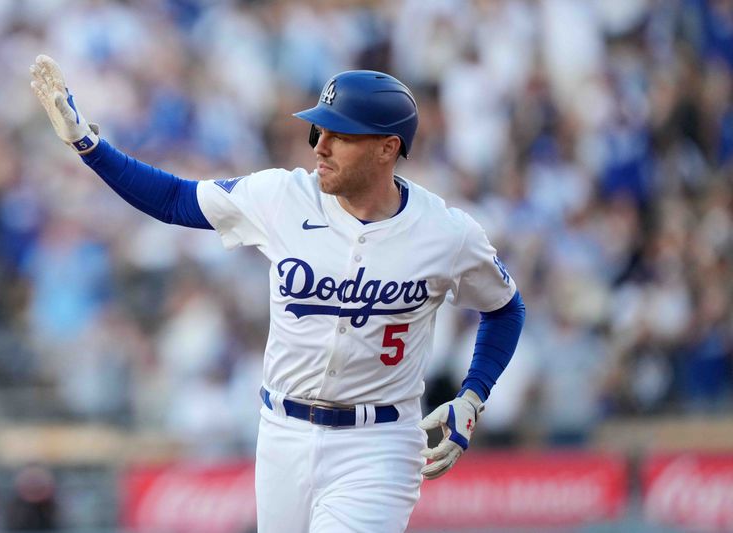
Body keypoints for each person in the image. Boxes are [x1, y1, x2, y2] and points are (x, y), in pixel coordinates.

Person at [30, 54, 525, 533]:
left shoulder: (445, 232)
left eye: (339, 135)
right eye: (319, 130)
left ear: (387, 148)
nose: (320, 146)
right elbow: (176, 199)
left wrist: (473, 395)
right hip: (282, 432)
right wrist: (87, 144)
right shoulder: (282, 196)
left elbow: (505, 308)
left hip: (380, 442)